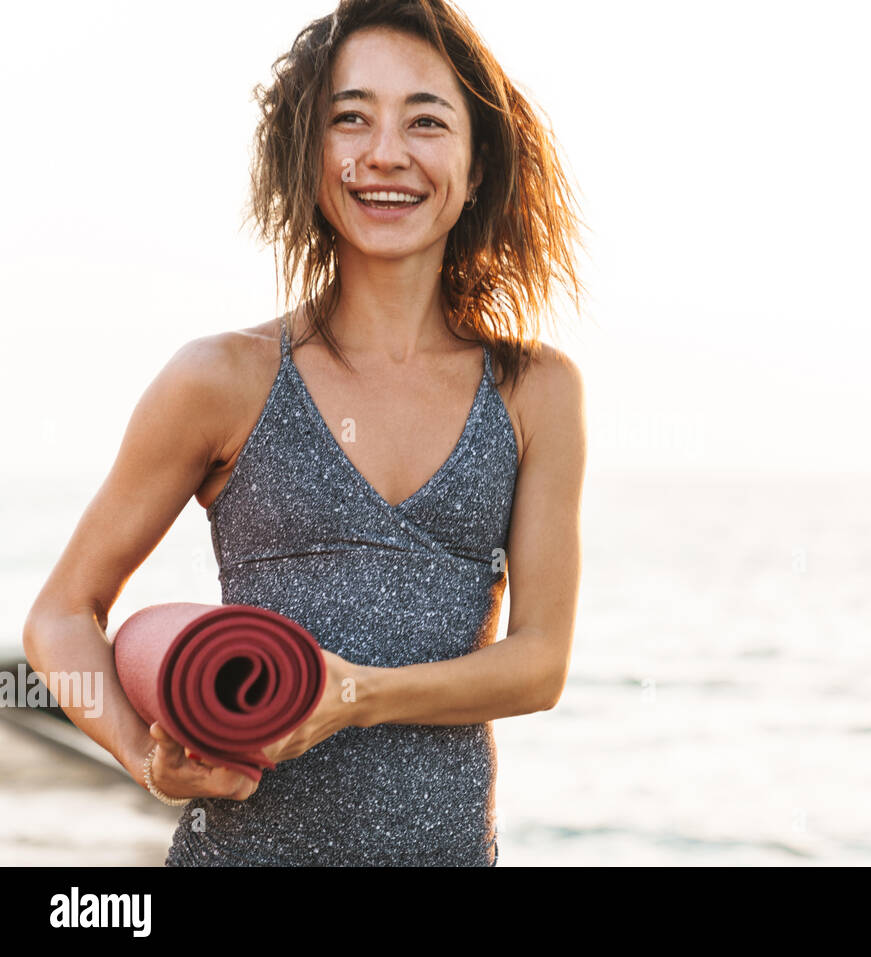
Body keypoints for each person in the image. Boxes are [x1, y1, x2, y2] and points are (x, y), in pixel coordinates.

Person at [22, 0, 587, 866]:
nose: (386, 154)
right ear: (309, 156)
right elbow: (61, 615)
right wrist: (145, 756)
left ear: (476, 168)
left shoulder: (535, 392)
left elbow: (540, 663)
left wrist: (353, 694)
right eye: (349, 118)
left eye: (426, 121)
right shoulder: (222, 379)